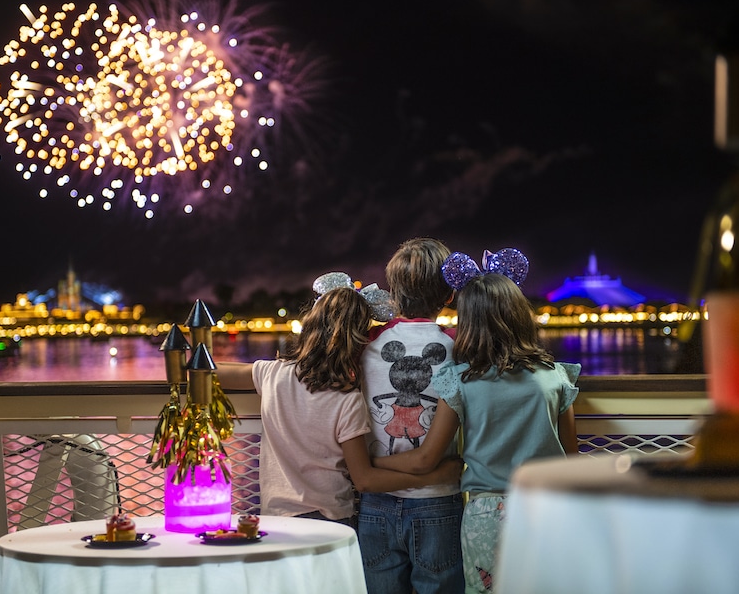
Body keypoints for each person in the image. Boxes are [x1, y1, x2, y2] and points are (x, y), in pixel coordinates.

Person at [374, 250, 580, 593]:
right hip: (551, 506)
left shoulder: (460, 382)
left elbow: (427, 457)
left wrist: (370, 464)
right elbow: (573, 462)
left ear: (469, 322)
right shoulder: (556, 378)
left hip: (487, 513)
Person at [217, 272, 462, 526]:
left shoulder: (273, 374)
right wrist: (433, 477)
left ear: (310, 324)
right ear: (359, 342)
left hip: (278, 518)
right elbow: (364, 479)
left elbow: (208, 371)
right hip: (331, 520)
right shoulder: (347, 399)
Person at [358, 237, 465, 594]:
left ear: (394, 291)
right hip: (438, 496)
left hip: (374, 499)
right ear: (449, 294)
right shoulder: (459, 346)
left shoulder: (365, 343)